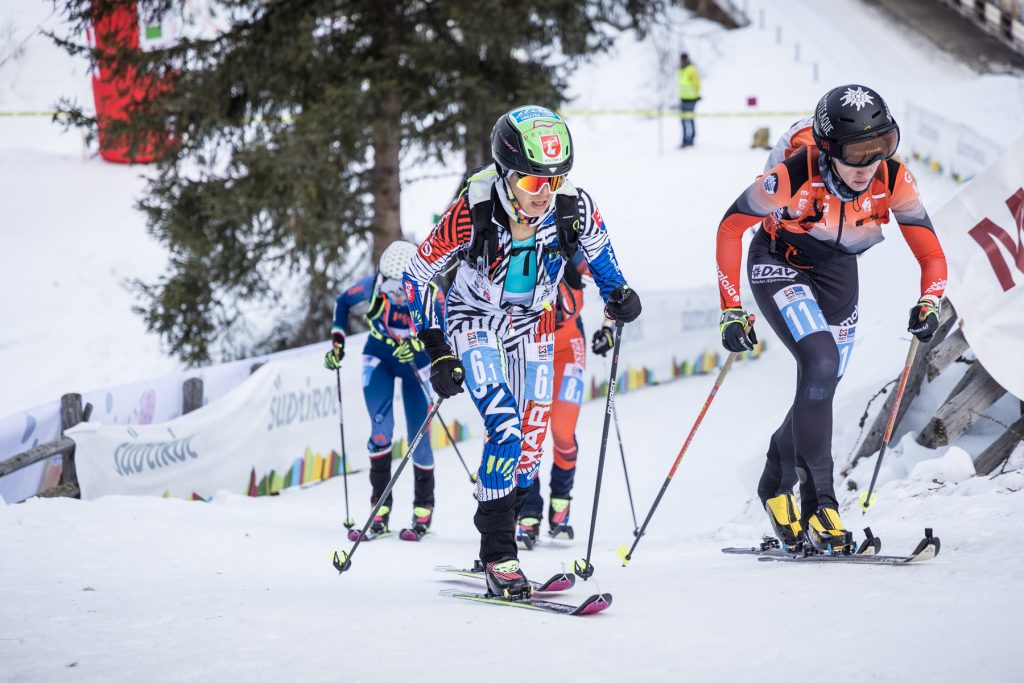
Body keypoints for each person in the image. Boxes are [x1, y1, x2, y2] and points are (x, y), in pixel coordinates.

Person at [403, 105, 642, 598]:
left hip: (534, 324)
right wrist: (436, 347)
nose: (544, 194)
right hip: (475, 320)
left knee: (531, 445)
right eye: (533, 182)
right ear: (506, 175)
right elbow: (416, 274)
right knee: (505, 426)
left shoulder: (573, 207)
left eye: (554, 181)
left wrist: (618, 292)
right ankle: (498, 553)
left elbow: (601, 255)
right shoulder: (472, 212)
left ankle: (502, 537)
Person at [714, 84, 947, 553]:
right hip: (779, 260)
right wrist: (731, 309)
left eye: (881, 147)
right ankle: (821, 505)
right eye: (855, 153)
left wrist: (930, 302)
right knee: (820, 363)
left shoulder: (893, 178)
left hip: (839, 273)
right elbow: (730, 227)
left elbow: (932, 254)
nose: (868, 165)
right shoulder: (792, 176)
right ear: (827, 149)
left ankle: (774, 485)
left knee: (820, 385)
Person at [324, 240, 446, 538]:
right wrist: (338, 343)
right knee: (380, 431)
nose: (396, 296)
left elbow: (445, 332)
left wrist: (418, 346)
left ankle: (423, 510)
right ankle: (379, 511)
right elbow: (342, 302)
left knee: (419, 438)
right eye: (390, 288)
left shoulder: (432, 294)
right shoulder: (372, 286)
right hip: (380, 356)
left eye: (403, 289)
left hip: (418, 362)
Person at [517, 252, 589, 546]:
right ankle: (528, 508)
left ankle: (561, 497)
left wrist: (611, 323)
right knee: (528, 431)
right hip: (529, 347)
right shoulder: (516, 246)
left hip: (568, 345)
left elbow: (610, 279)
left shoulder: (571, 249)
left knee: (561, 430)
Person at [677, 52, 701, 148]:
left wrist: (696, 95)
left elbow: (697, 84)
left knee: (689, 119)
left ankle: (690, 139)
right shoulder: (681, 70)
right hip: (683, 98)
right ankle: (685, 139)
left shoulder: (691, 70)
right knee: (683, 120)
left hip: (691, 99)